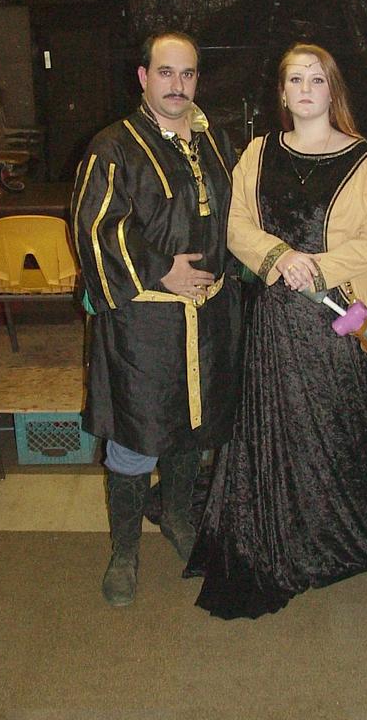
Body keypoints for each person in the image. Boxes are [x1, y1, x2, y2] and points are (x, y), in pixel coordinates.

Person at [183, 42, 367, 619]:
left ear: (332, 91)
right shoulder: (259, 152)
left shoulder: (363, 159)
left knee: (332, 427)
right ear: (282, 93)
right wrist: (279, 257)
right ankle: (280, 530)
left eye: (316, 79)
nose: (305, 88)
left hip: (338, 319)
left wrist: (320, 266)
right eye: (295, 79)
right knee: (274, 425)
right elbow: (235, 222)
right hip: (273, 320)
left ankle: (331, 529)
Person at [70, 31, 241, 607]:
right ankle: (124, 551)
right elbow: (96, 228)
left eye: (187, 73)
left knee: (193, 428)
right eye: (165, 72)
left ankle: (177, 517)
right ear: (143, 77)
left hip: (209, 317)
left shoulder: (215, 140)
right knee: (136, 438)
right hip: (144, 327)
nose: (177, 85)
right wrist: (161, 269)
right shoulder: (113, 146)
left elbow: (238, 214)